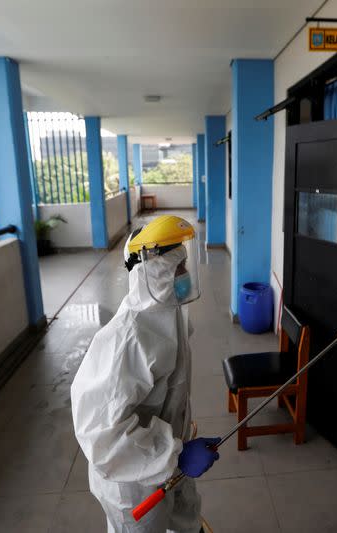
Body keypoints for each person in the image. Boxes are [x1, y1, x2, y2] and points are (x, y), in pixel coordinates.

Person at [71, 215, 220, 533]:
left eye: (183, 266)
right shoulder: (126, 340)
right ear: (148, 272)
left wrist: (180, 444)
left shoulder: (172, 315)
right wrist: (175, 455)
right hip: (132, 478)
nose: (183, 275)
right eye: (174, 268)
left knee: (186, 519)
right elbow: (103, 437)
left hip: (168, 454)